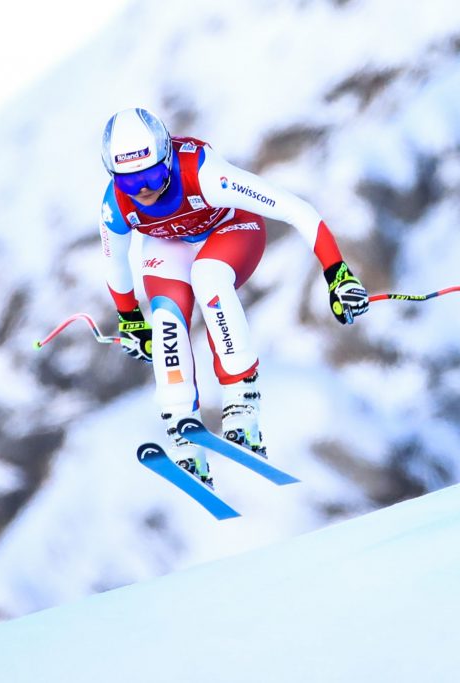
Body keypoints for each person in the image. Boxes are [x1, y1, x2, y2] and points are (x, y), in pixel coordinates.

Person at [98, 107, 369, 488]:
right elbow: (115, 266)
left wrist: (335, 273)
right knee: (164, 319)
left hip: (231, 228)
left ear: (168, 159)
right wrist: (130, 319)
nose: (142, 189)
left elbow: (297, 210)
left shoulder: (204, 173)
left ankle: (243, 408)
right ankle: (182, 434)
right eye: (129, 182)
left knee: (208, 278)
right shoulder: (115, 205)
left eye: (153, 175)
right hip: (169, 242)